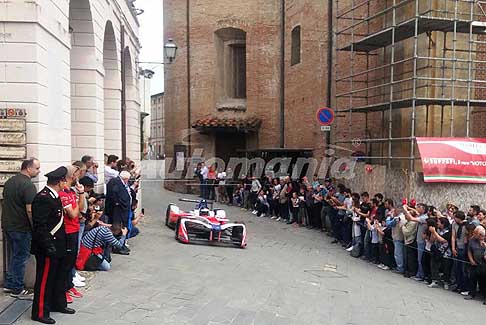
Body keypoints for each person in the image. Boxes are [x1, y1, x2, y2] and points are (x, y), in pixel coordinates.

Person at [31, 166, 75, 324]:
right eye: (65, 180)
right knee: (45, 280)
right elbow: (40, 226)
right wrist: (48, 246)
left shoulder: (54, 196)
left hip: (59, 245)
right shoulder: (43, 197)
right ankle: (40, 312)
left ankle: (58, 303)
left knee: (59, 277)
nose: (67, 183)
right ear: (61, 181)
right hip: (47, 247)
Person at [2, 158, 40, 298]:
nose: (39, 171)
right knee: (21, 257)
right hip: (21, 226)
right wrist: (34, 226)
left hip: (8, 224)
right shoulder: (28, 185)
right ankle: (16, 287)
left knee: (14, 256)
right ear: (28, 168)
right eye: (37, 168)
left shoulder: (10, 182)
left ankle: (10, 284)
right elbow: (30, 210)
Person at [58, 166, 86, 302]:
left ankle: (69, 285)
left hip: (74, 229)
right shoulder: (63, 193)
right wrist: (75, 208)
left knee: (71, 260)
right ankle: (63, 289)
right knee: (66, 262)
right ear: (72, 176)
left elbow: (80, 209)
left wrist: (81, 194)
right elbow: (73, 213)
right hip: (67, 231)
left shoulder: (71, 191)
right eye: (77, 174)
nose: (78, 177)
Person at [105, 171, 132, 255]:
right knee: (117, 227)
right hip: (118, 210)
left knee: (120, 226)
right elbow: (114, 196)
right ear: (126, 179)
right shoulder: (116, 183)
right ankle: (117, 246)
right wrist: (118, 203)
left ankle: (119, 244)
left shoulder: (117, 182)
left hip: (120, 210)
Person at [466, 225, 486, 304]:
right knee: (473, 278)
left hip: (484, 263)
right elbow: (469, 250)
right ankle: (472, 294)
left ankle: (484, 296)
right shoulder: (472, 240)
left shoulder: (484, 240)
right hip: (475, 262)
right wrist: (471, 259)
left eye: (475, 234)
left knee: (484, 281)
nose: (474, 235)